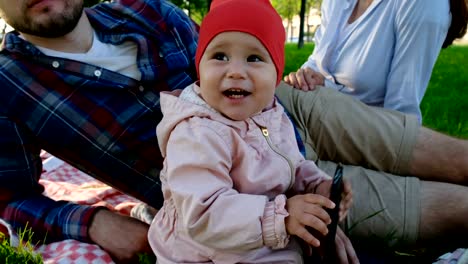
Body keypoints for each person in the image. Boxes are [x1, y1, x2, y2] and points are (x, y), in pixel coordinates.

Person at [0, 0, 468, 262]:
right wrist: (93, 221)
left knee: (453, 159)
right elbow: (9, 197)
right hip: (251, 187)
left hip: (287, 112)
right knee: (450, 209)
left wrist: (306, 166)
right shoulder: (10, 83)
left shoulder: (149, 12)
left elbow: (241, 50)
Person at [147, 0, 353, 262]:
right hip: (204, 253)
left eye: (254, 58)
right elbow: (203, 214)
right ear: (200, 66)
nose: (235, 71)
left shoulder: (270, 113)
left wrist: (317, 186)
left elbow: (291, 164)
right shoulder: (196, 132)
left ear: (276, 74)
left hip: (264, 237)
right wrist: (283, 216)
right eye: (220, 56)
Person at [284, 0, 468, 122]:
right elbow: (315, 61)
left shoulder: (422, 4)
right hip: (306, 112)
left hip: (355, 138)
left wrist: (327, 92)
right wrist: (305, 76)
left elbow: (400, 118)